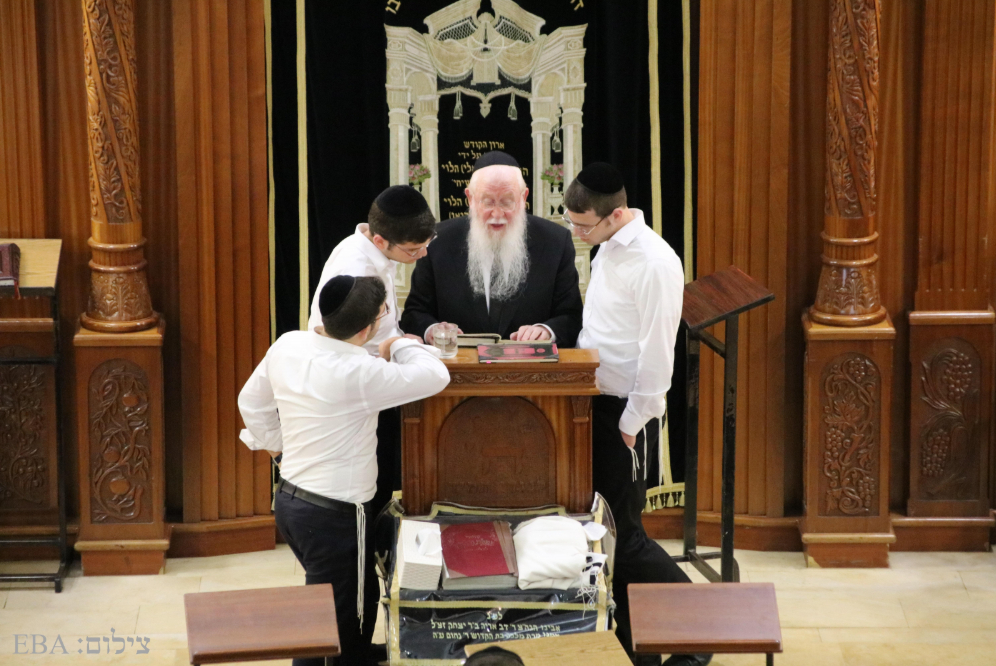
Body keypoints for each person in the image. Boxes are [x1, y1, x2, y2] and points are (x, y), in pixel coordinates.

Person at [239, 275, 450, 666]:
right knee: (334, 623)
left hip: (290, 500)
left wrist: (279, 448)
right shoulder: (360, 373)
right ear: (368, 327)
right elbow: (437, 375)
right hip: (335, 515)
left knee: (335, 601)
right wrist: (399, 343)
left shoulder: (289, 343)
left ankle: (353, 653)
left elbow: (250, 402)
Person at [564, 163, 709, 666]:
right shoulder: (607, 246)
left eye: (584, 226)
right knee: (610, 533)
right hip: (595, 403)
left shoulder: (654, 261)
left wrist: (631, 425)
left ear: (617, 214)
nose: (577, 235)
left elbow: (657, 356)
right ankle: (637, 649)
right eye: (573, 224)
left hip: (625, 414)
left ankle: (702, 632)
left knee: (626, 540)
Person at [308, 185, 437, 515]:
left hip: (371, 380)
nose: (421, 255)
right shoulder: (357, 270)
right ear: (381, 241)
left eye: (426, 244)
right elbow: (342, 345)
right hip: (354, 396)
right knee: (364, 501)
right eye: (413, 249)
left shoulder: (372, 249)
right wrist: (398, 346)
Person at [400, 151, 583, 346]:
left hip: (530, 368)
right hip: (456, 370)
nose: (497, 214)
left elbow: (571, 316)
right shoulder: (437, 241)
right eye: (487, 202)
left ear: (523, 197)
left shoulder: (555, 241)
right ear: (470, 198)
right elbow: (414, 313)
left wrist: (546, 331)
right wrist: (431, 330)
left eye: (506, 202)